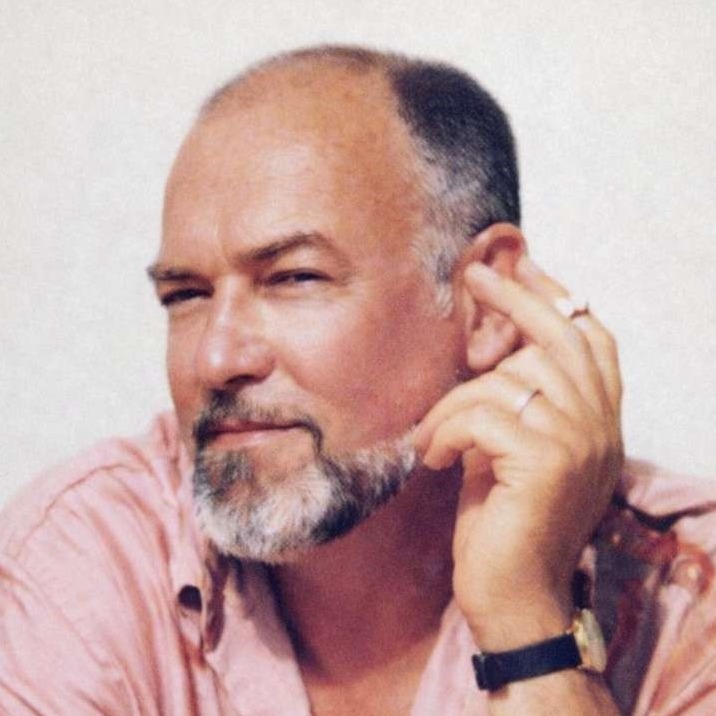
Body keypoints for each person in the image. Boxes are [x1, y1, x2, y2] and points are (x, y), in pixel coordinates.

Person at [1, 45, 714, 715]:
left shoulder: (686, 594)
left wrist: (530, 629)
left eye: (293, 278)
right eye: (186, 295)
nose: (214, 360)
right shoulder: (81, 560)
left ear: (485, 304)